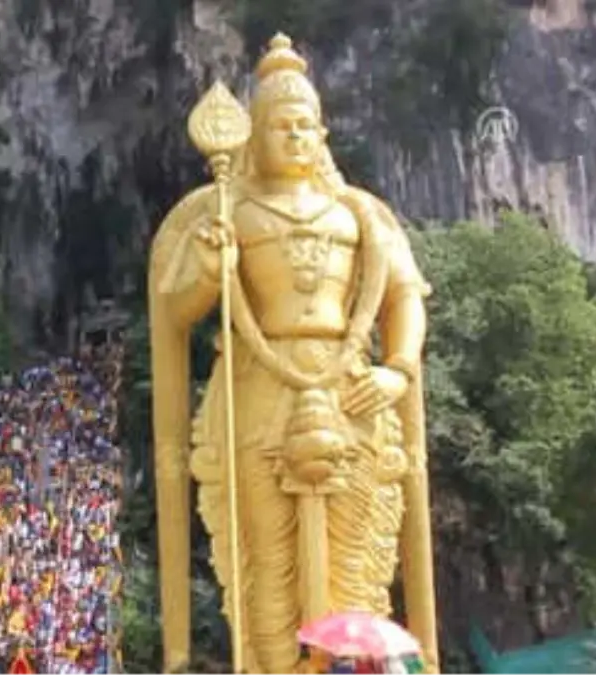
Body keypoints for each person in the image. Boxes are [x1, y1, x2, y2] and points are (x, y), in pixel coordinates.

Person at [148, 33, 438, 673]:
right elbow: (175, 312)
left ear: (323, 131)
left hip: (351, 388)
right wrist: (209, 266)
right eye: (280, 124)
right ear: (254, 133)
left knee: (357, 557)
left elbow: (406, 299)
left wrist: (398, 369)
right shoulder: (229, 211)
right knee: (267, 566)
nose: (295, 135)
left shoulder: (360, 215)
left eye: (306, 123)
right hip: (260, 388)